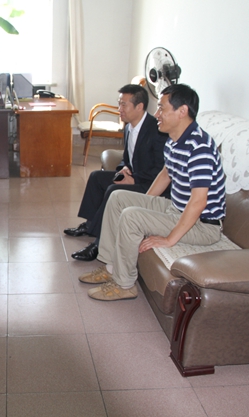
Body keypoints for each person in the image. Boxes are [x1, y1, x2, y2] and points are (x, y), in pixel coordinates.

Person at [80, 84, 226, 301]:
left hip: (202, 226)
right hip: (175, 208)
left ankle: (124, 284)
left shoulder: (199, 148)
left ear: (182, 111)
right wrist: (142, 202)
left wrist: (169, 239)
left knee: (131, 216)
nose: (156, 114)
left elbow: (198, 202)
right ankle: (111, 266)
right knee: (118, 197)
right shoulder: (175, 140)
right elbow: (165, 175)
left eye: (162, 108)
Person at [65, 84, 167, 261]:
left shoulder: (157, 131)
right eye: (119, 103)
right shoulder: (128, 127)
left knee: (114, 190)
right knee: (96, 177)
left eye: (123, 104)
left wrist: (134, 180)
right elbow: (126, 158)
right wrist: (123, 170)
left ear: (139, 106)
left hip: (150, 184)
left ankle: (99, 243)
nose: (119, 109)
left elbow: (161, 170)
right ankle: (90, 225)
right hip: (134, 176)